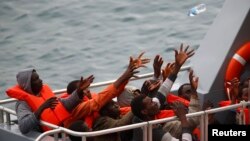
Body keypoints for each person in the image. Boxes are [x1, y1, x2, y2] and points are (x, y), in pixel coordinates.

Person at [63, 52, 150, 129]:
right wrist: (124, 76)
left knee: (133, 101)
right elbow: (100, 100)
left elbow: (113, 92)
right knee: (138, 110)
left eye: (87, 88)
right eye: (83, 90)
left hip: (111, 116)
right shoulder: (77, 109)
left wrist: (128, 75)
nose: (88, 91)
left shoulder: (92, 97)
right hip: (97, 130)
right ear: (75, 96)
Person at [131, 44, 196, 141]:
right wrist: (183, 118)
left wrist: (177, 67)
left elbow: (163, 91)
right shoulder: (156, 133)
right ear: (144, 111)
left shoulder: (138, 118)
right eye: (151, 102)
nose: (155, 102)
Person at [6, 68, 94, 134]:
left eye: (39, 78)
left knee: (79, 126)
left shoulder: (44, 94)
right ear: (28, 85)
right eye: (36, 79)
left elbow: (64, 104)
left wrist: (78, 91)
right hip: (44, 136)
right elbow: (23, 127)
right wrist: (41, 108)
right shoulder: (22, 104)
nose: (40, 80)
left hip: (59, 131)